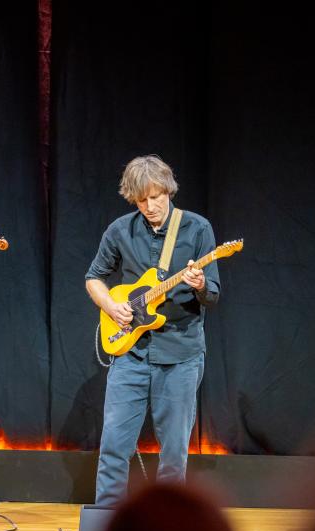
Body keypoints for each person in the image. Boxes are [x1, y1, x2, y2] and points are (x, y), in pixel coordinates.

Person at [85, 155, 220, 506]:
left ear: (168, 191)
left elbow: (213, 295)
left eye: (156, 197)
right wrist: (110, 306)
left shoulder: (198, 229)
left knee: (173, 454)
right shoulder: (120, 230)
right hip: (130, 351)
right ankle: (104, 528)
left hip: (180, 354)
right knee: (114, 446)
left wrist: (201, 282)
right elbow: (94, 277)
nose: (150, 206)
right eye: (141, 200)